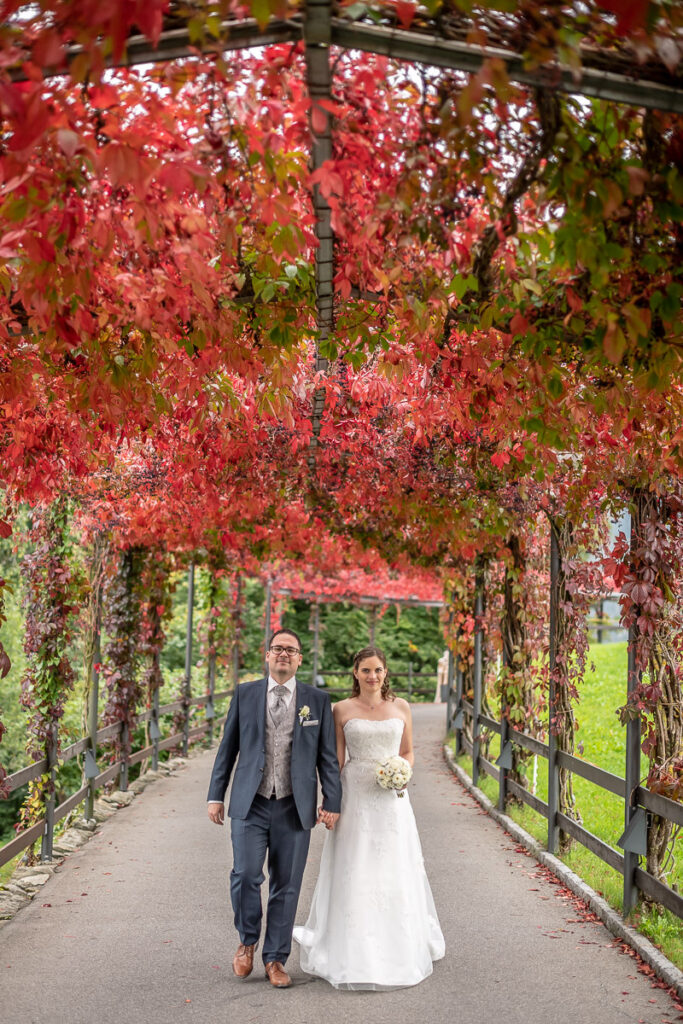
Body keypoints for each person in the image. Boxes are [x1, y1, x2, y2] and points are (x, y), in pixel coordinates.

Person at [293, 646, 445, 990]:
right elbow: (335, 760)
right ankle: (351, 941)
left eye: (377, 670)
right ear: (356, 673)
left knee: (393, 864)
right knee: (355, 864)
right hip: (356, 795)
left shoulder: (401, 707)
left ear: (386, 672)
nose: (372, 676)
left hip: (391, 801)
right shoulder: (341, 710)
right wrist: (331, 801)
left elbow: (407, 751)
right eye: (365, 671)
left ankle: (398, 938)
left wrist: (402, 770)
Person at [207, 628, 342, 989]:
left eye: (291, 650)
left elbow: (327, 758)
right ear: (267, 655)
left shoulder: (317, 700)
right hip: (250, 803)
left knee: (288, 884)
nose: (284, 654)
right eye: (278, 649)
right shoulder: (245, 694)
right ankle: (247, 941)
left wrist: (333, 800)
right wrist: (215, 794)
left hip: (294, 806)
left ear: (300, 659)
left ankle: (276, 959)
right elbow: (228, 748)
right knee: (246, 874)